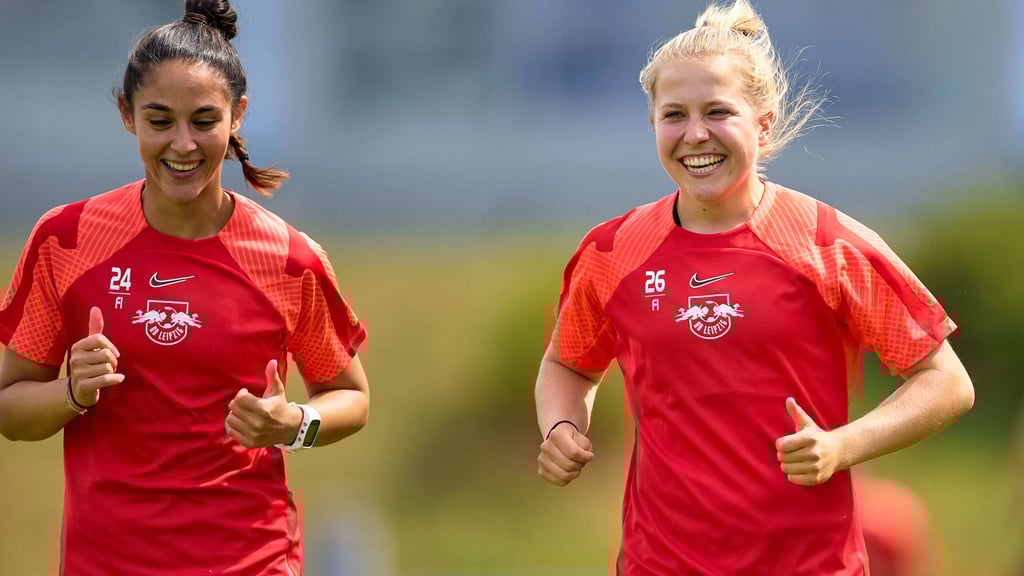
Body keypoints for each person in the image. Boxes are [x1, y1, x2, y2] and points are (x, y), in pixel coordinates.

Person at [533, 1, 974, 574]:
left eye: (718, 111)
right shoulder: (613, 252)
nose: (695, 135)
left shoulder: (827, 244)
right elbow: (568, 365)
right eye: (674, 115)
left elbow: (946, 382)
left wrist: (844, 446)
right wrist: (562, 426)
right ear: (653, 124)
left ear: (763, 123)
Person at [0, 1, 368, 574]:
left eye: (203, 121)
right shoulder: (65, 239)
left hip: (253, 562)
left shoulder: (290, 258)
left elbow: (351, 396)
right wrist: (69, 391)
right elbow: (9, 409)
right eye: (159, 121)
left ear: (237, 115)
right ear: (127, 115)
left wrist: (294, 424)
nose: (182, 145)